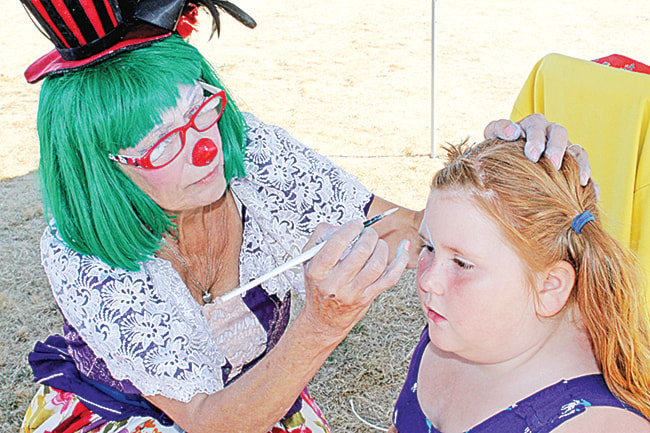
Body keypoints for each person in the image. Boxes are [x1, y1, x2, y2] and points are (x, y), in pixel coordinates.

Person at [18, 1, 589, 432]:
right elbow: (206, 421)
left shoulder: (251, 153)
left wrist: (508, 175)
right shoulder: (81, 254)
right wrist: (319, 325)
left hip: (263, 392)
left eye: (203, 112)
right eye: (161, 145)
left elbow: (396, 225)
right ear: (102, 170)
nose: (205, 149)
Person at [390, 138, 650, 433]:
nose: (428, 281)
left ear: (549, 286)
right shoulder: (454, 333)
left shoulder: (598, 425)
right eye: (429, 247)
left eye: (462, 264)